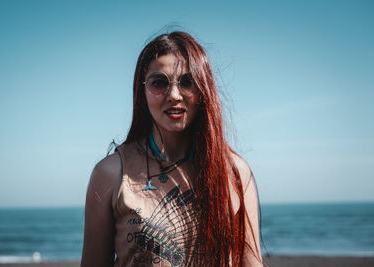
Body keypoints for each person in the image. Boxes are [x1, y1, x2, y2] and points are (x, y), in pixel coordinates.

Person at [81, 31, 264, 267]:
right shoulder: (112, 174)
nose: (174, 95)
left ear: (203, 90)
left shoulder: (235, 172)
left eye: (187, 82)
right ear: (142, 90)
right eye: (159, 83)